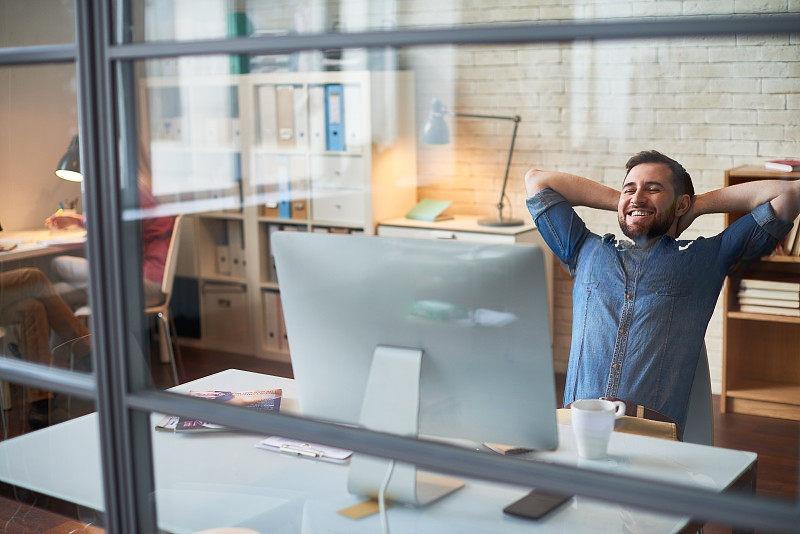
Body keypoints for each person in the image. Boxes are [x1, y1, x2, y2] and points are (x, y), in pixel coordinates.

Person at [524, 150, 800, 432]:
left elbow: (790, 194)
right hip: (575, 424)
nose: (638, 195)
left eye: (654, 189)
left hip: (650, 432)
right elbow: (537, 181)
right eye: (629, 188)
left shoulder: (706, 257)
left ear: (680, 204)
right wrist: (627, 203)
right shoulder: (583, 249)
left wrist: (697, 205)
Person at [46, 181, 175, 308]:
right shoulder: (145, 193)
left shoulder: (137, 194)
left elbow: (113, 226)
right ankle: (79, 330)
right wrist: (77, 220)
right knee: (55, 293)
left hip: (145, 285)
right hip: (144, 283)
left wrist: (77, 220)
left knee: (58, 264)